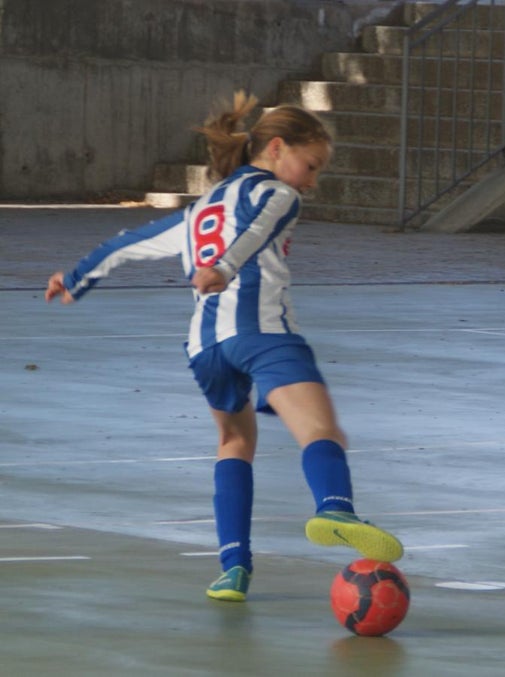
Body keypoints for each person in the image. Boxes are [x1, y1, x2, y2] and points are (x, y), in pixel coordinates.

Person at [44, 92, 404, 603]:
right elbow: (257, 233)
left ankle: (232, 568)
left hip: (205, 348)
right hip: (261, 332)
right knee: (320, 430)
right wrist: (226, 268)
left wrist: (76, 278)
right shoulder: (280, 195)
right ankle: (335, 507)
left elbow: (128, 242)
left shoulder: (200, 209)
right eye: (311, 165)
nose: (312, 180)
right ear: (277, 148)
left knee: (235, 443)